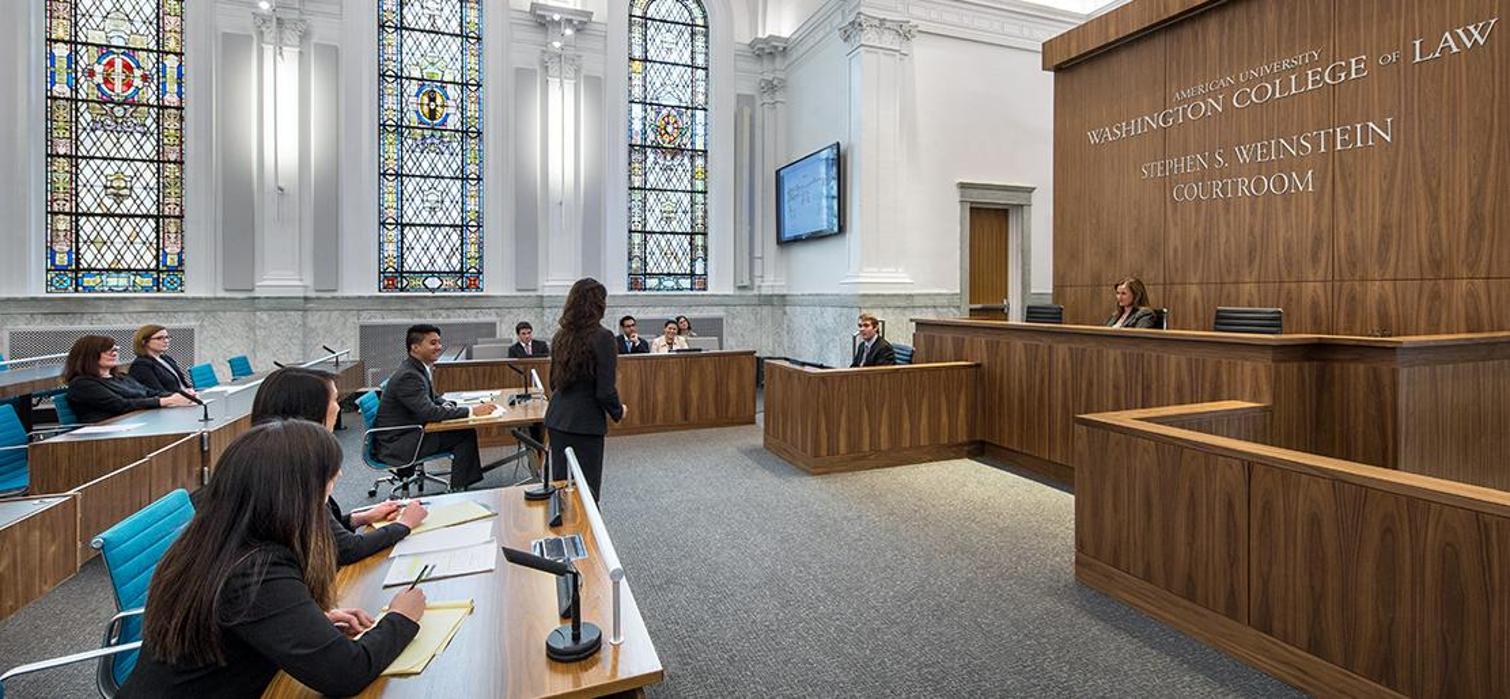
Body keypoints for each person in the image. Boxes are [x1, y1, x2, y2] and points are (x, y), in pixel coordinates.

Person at [120, 420, 424, 698]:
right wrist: (401, 617)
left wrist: (299, 623)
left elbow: (242, 621)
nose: (339, 477)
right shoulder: (256, 571)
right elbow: (346, 673)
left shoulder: (214, 540)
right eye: (328, 477)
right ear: (294, 493)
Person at [252, 367, 427, 565]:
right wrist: (404, 525)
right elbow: (345, 549)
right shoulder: (291, 469)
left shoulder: (269, 456)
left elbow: (318, 529)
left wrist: (359, 518)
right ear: (311, 408)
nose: (338, 408)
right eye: (335, 400)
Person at [373, 324, 498, 490]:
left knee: (463, 431)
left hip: (407, 432)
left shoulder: (416, 368)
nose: (439, 347)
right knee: (464, 434)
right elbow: (429, 412)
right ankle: (459, 489)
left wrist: (448, 404)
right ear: (415, 347)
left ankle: (462, 484)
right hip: (399, 444)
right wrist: (471, 411)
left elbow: (432, 398)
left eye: (439, 342)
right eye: (433, 343)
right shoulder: (409, 375)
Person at [544, 278, 625, 499]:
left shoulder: (560, 336)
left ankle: (563, 532)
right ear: (598, 305)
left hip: (558, 419)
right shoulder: (604, 337)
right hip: (586, 423)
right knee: (587, 493)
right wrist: (618, 411)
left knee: (562, 488)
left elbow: (553, 382)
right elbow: (605, 390)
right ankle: (586, 535)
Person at [64, 335, 194, 423]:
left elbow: (149, 392)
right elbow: (121, 405)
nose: (114, 353)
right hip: (106, 433)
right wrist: (165, 401)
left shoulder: (120, 377)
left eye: (115, 349)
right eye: (107, 350)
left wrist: (180, 396)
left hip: (135, 422)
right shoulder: (82, 384)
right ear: (89, 355)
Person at [127, 324, 196, 396]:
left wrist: (190, 390)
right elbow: (157, 393)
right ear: (144, 342)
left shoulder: (166, 358)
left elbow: (182, 383)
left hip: (187, 398)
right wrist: (184, 395)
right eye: (159, 338)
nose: (166, 341)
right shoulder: (141, 365)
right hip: (173, 403)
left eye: (167, 337)